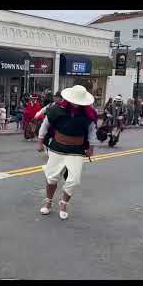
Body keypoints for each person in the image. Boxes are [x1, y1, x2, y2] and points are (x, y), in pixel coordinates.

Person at [36, 85, 97, 220]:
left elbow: (92, 131)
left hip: (76, 150)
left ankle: (63, 204)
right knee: (52, 177)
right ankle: (48, 202)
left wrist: (91, 148)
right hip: (58, 147)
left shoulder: (89, 114)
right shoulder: (56, 109)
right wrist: (40, 141)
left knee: (74, 180)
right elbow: (45, 124)